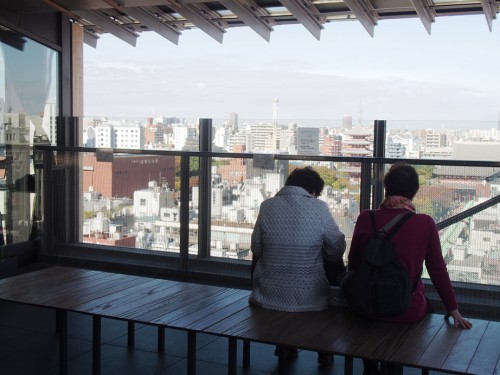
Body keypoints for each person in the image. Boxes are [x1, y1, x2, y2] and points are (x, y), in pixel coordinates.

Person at [348, 162, 472, 375]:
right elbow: (437, 269)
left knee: (367, 324)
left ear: (386, 188)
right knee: (422, 306)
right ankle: (395, 366)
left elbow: (354, 262)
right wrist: (452, 308)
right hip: (406, 309)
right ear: (414, 191)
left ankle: (369, 367)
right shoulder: (424, 223)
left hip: (365, 304)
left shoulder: (365, 217)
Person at [249, 166, 346, 366]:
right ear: (312, 191)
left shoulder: (267, 206)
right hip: (310, 296)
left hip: (266, 293)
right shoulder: (319, 208)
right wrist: (325, 254)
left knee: (265, 257)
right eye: (316, 194)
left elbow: (256, 247)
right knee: (329, 259)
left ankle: (285, 345)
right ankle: (324, 350)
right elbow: (336, 246)